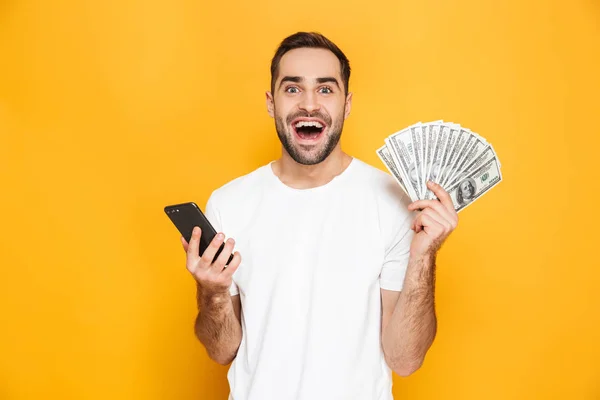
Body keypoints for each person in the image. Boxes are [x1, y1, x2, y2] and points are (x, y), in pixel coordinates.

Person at [179, 31, 459, 400]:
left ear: (347, 104)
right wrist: (213, 293)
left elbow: (404, 359)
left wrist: (424, 256)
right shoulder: (229, 203)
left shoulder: (393, 202)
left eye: (326, 89)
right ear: (271, 102)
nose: (309, 104)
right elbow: (222, 351)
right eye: (292, 89)